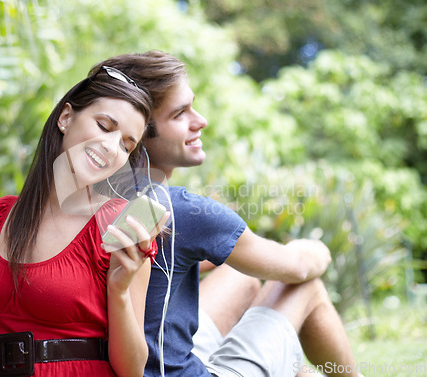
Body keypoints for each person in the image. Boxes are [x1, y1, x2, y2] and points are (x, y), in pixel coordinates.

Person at [89, 51, 362, 377]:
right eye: (180, 114)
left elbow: (162, 263)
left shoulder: (96, 197)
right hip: (172, 371)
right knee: (304, 287)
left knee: (241, 276)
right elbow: (298, 268)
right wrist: (315, 250)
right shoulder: (183, 210)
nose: (200, 120)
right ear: (138, 134)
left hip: (144, 360)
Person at [0, 64, 169, 377]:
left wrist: (119, 291)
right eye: (104, 126)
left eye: (126, 145)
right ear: (65, 117)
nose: (111, 148)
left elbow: (132, 370)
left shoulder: (118, 227)